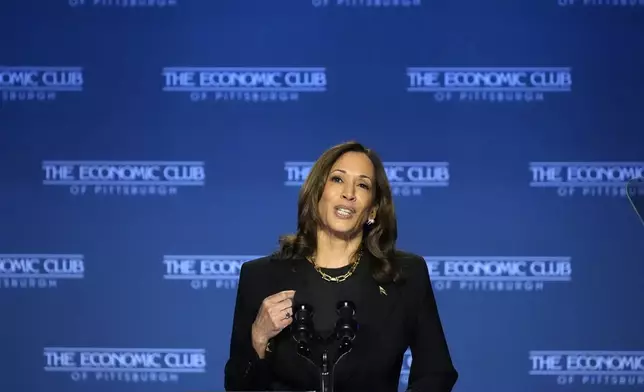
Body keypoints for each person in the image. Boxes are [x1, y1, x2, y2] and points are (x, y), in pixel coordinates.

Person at [224, 141, 458, 392]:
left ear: (373, 210)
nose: (349, 193)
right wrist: (258, 339)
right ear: (316, 194)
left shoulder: (405, 276)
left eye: (363, 185)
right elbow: (237, 386)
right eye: (337, 180)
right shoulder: (260, 277)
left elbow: (436, 374)